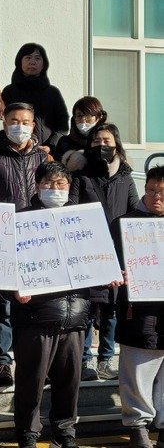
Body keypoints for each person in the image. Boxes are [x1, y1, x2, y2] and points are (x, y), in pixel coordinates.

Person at [12, 161, 90, 448]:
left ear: (69, 189)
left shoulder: (83, 221)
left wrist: (109, 274)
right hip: (36, 317)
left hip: (76, 315)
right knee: (30, 384)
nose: (55, 189)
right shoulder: (23, 220)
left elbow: (97, 261)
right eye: (48, 184)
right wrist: (15, 291)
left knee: (69, 384)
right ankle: (28, 435)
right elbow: (8, 268)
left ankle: (65, 433)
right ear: (37, 186)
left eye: (61, 185)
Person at [0, 102, 52, 386]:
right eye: (13, 120)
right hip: (2, 236)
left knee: (35, 301)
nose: (19, 126)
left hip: (36, 237)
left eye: (25, 121)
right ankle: (1, 361)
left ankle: (35, 362)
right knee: (3, 305)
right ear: (4, 121)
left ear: (33, 126)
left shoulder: (44, 159)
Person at [68, 123, 139, 382]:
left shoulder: (125, 177)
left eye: (107, 141)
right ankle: (85, 359)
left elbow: (134, 210)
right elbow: (71, 209)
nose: (101, 145)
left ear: (116, 144)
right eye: (96, 141)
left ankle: (106, 358)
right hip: (88, 251)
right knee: (88, 307)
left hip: (118, 251)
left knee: (111, 309)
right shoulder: (81, 176)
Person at [110, 166, 164, 448]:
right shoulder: (124, 224)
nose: (156, 197)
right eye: (151, 191)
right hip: (138, 310)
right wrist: (119, 273)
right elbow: (107, 265)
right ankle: (138, 426)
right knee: (137, 370)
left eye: (163, 193)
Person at [1, 43, 69, 153]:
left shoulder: (52, 92)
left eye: (37, 58)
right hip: (18, 150)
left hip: (47, 153)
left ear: (43, 64)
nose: (32, 62)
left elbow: (62, 123)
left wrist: (51, 146)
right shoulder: (9, 91)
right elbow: (4, 120)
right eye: (28, 58)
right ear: (20, 62)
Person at [55, 97, 107, 172]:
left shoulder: (104, 141)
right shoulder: (64, 142)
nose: (83, 120)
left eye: (88, 115)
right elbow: (56, 170)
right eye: (79, 115)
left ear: (99, 117)